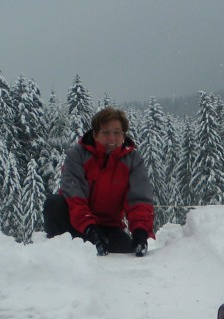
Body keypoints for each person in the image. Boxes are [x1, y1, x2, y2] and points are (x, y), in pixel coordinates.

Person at [43, 106, 156, 256]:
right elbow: (74, 196)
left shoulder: (133, 160)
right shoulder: (77, 155)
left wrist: (141, 230)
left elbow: (139, 199)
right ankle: (57, 258)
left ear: (123, 136)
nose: (112, 138)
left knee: (128, 256)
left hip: (108, 227)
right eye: (106, 132)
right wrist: (89, 228)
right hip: (74, 223)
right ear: (95, 134)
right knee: (54, 203)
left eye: (117, 133)